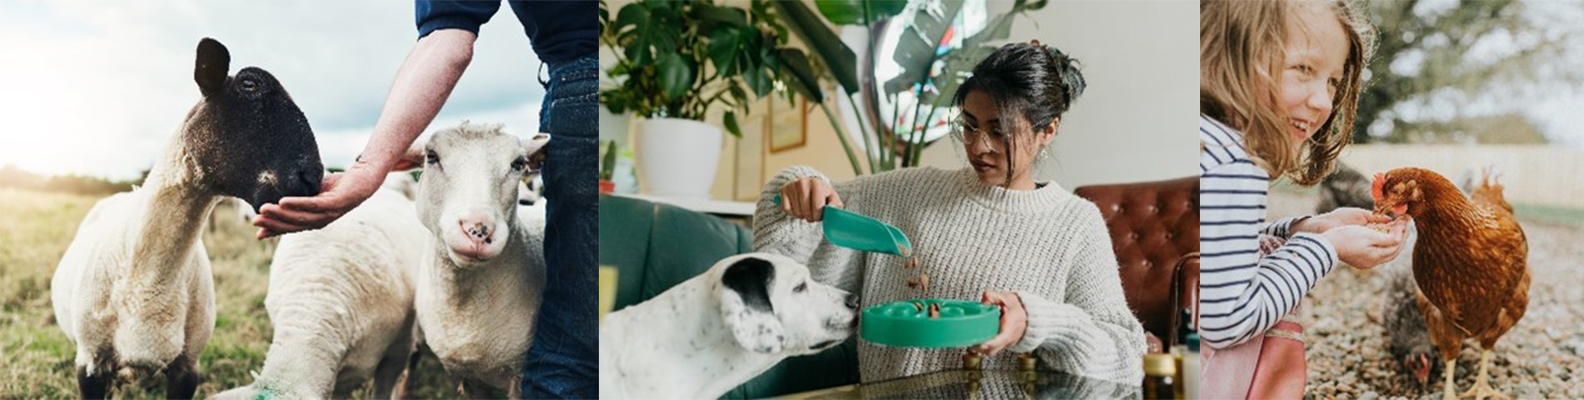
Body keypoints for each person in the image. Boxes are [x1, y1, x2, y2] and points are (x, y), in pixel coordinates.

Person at [249, 1, 597, 398]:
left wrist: (368, 167)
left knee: (571, 352)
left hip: (580, 85)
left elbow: (447, 37)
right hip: (616, 84)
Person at [757, 41, 1146, 384]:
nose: (979, 147)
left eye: (999, 131)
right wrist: (799, 185)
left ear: (1048, 131)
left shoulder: (1075, 223)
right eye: (970, 126)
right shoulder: (907, 192)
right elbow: (801, 227)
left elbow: (1128, 357)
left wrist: (1037, 321)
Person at [1199, 0, 1401, 397]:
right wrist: (1326, 248)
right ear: (1235, 51)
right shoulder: (1235, 163)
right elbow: (1227, 318)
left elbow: (1218, 250)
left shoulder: (1207, 143)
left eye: (1332, 81)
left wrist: (1305, 229)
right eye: (1303, 69)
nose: (1324, 102)